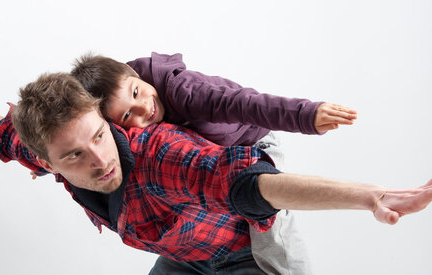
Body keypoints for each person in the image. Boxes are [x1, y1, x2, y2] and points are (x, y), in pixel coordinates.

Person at [0, 74, 432, 274]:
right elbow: (5, 130)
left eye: (100, 138)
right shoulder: (40, 144)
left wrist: (370, 195)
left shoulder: (157, 153)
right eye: (72, 157)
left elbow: (247, 184)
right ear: (46, 157)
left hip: (244, 259)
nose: (100, 160)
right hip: (183, 257)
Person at [69, 52, 357, 274]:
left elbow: (244, 104)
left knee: (265, 216)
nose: (144, 107)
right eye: (128, 116)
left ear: (134, 73)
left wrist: (307, 115)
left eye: (136, 92)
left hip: (250, 143)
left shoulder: (185, 91)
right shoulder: (124, 133)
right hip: (210, 164)